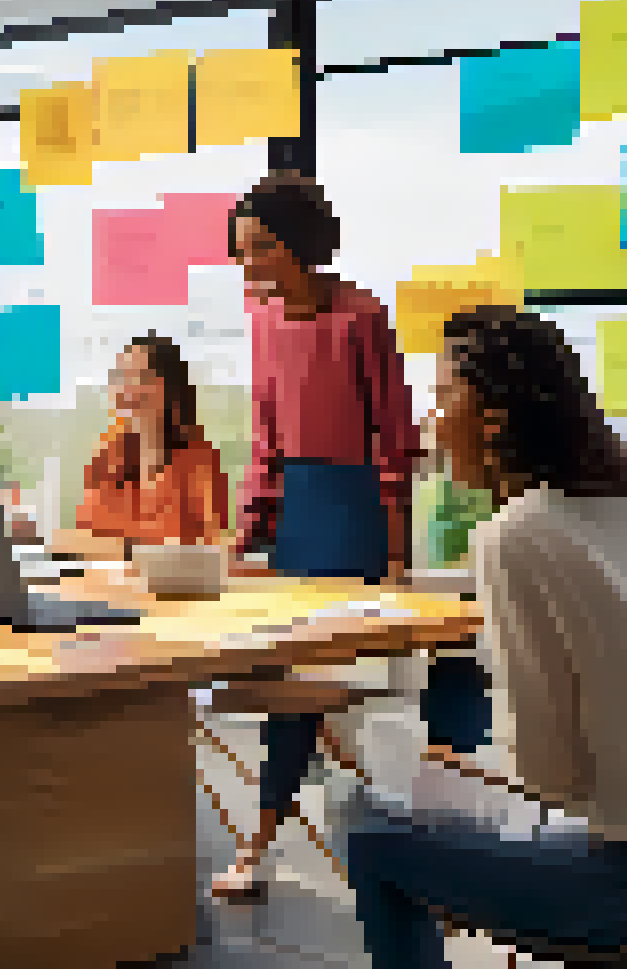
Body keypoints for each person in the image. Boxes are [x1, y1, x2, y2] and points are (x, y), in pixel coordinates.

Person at [339, 304, 627, 969]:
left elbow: (551, 779)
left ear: (493, 416)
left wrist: (475, 773)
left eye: (443, 394)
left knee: (371, 830)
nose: (431, 420)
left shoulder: (518, 534)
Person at [214, 176, 491, 900]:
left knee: (321, 674)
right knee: (290, 679)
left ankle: (412, 818)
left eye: (263, 248)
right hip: (298, 512)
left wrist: (396, 551)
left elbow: (396, 442)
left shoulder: (361, 316)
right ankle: (271, 831)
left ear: (301, 245)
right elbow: (266, 436)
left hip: (355, 508)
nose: (250, 266)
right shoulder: (261, 320)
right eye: (242, 251)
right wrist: (248, 531)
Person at [70, 334, 230, 550]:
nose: (126, 388)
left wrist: (124, 545)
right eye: (120, 377)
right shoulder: (107, 455)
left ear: (170, 388)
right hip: (109, 579)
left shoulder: (200, 460)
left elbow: (209, 544)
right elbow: (84, 536)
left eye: (140, 377)